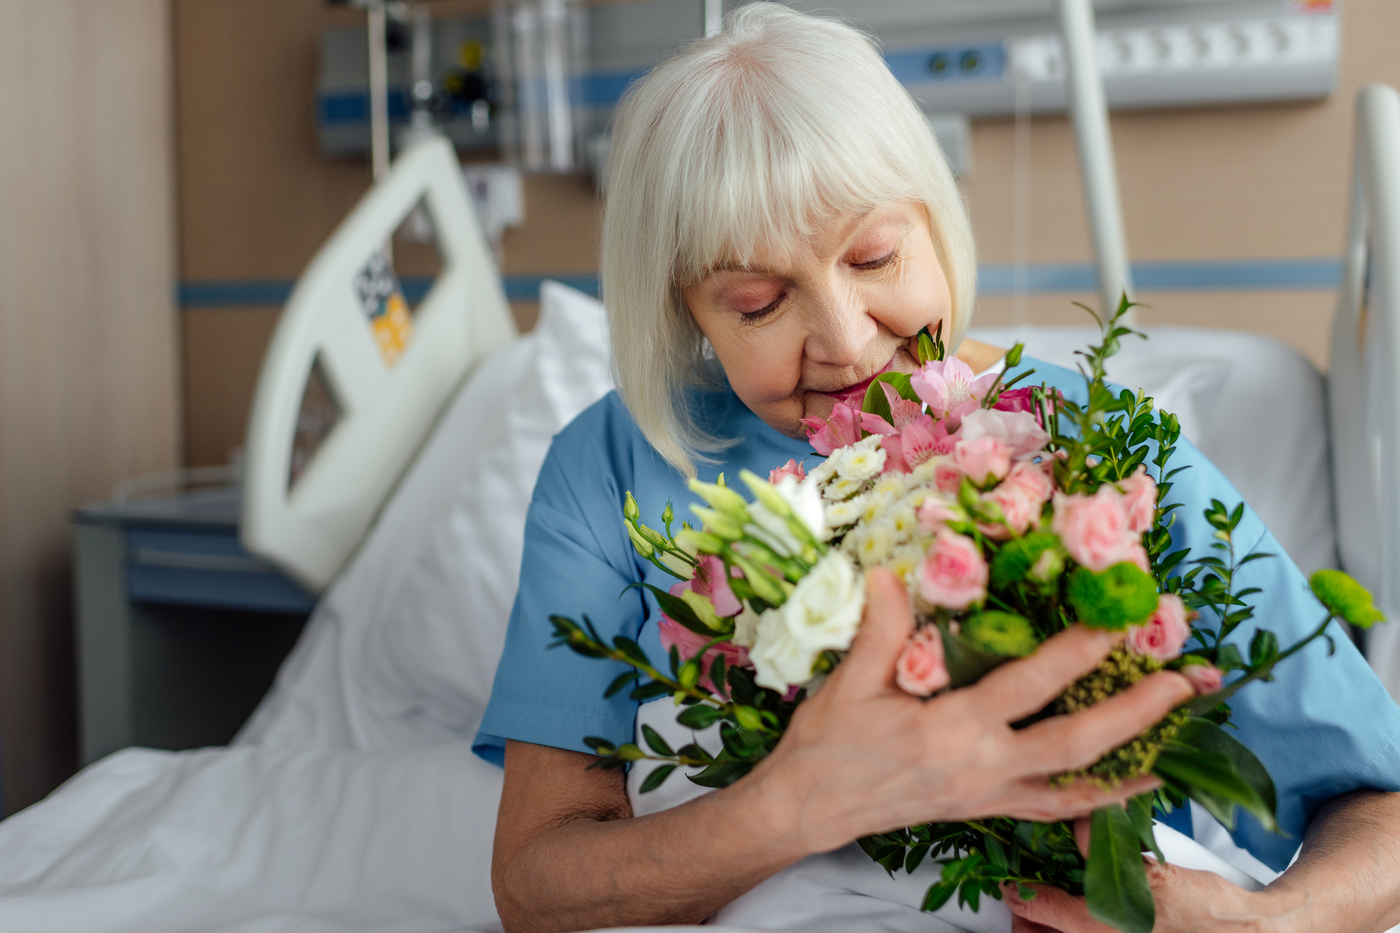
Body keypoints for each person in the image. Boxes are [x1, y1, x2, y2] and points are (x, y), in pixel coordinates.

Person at [475, 6, 1400, 932]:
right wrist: (799, 804)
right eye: (758, 302)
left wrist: (1278, 922)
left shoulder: (1095, 446)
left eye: (875, 255)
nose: (844, 342)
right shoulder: (616, 463)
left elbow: (1382, 807)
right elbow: (536, 882)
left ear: (933, 218)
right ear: (685, 311)